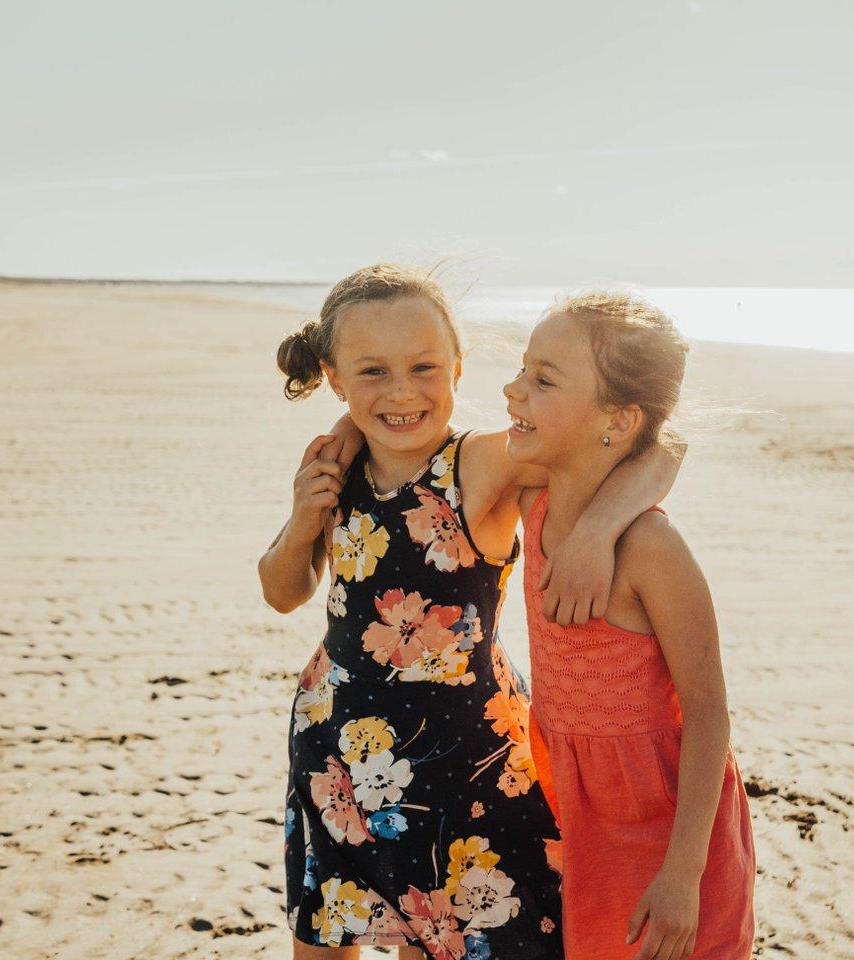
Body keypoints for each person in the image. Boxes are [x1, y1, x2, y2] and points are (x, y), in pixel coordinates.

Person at [258, 265, 682, 958]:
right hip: (334, 749)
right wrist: (304, 515)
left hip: (463, 761)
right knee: (329, 942)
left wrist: (601, 530)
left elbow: (661, 446)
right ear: (334, 377)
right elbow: (283, 591)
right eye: (372, 373)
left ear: (458, 365)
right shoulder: (335, 463)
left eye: (424, 367)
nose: (401, 392)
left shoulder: (485, 462)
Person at [505, 292, 755, 959]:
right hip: (581, 819)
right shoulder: (532, 493)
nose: (512, 389)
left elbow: (708, 713)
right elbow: (665, 441)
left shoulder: (651, 550)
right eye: (522, 369)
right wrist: (592, 526)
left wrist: (683, 875)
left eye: (543, 379)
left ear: (616, 420)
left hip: (672, 832)